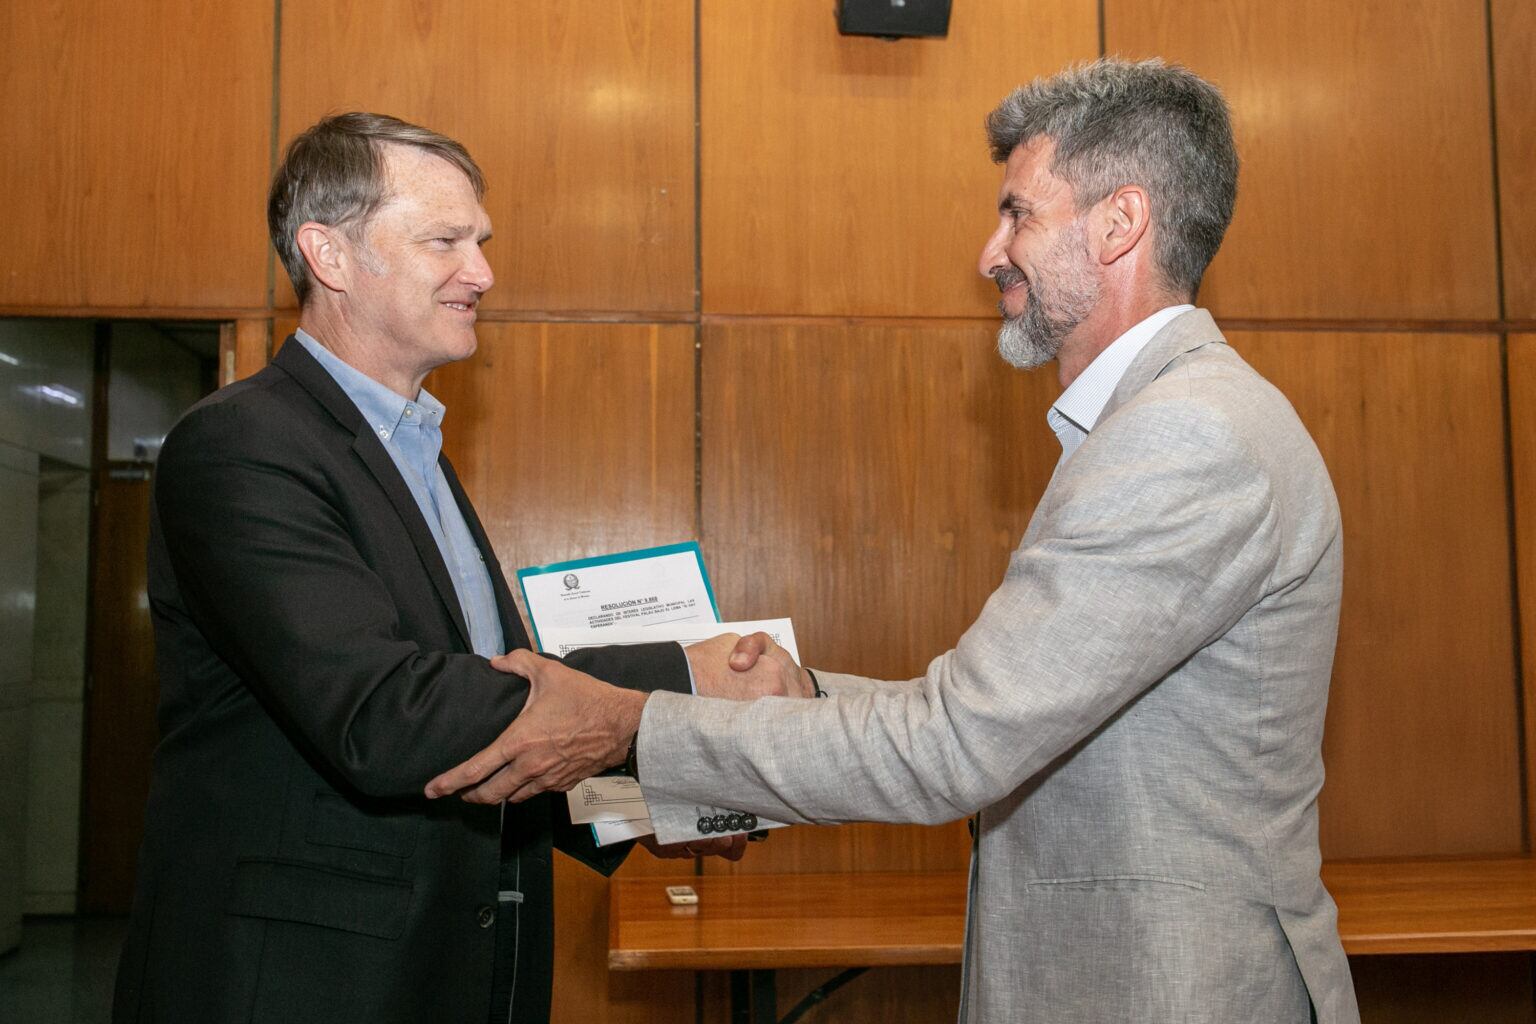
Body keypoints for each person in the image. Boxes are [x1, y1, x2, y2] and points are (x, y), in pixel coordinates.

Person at [426, 59, 1362, 1023]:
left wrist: (628, 723)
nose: (990, 254)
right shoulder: (1170, 422)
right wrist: (798, 692)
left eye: (1019, 216)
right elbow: (989, 713)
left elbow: (957, 744)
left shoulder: (1183, 436)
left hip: (1173, 990)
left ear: (1119, 224)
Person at [112, 112, 776, 1024]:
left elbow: (479, 719)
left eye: (482, 241)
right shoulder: (241, 446)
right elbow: (385, 715)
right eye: (445, 241)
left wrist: (638, 806)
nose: (483, 272)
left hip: (456, 974)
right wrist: (680, 682)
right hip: (300, 986)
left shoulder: (416, 453)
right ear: (330, 256)